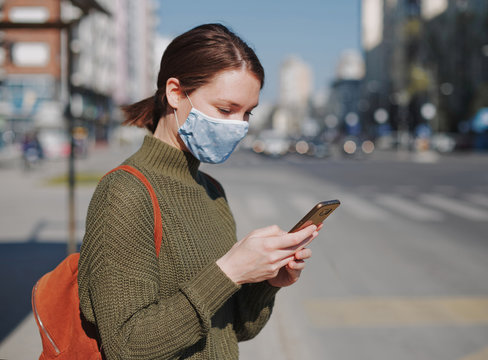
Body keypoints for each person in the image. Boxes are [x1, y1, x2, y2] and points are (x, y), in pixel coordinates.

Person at [78, 23, 320, 360]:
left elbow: (234, 329)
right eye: (225, 110)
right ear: (175, 93)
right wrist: (230, 271)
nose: (239, 126)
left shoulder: (212, 191)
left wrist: (266, 281)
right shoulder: (124, 192)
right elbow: (127, 346)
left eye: (247, 113)